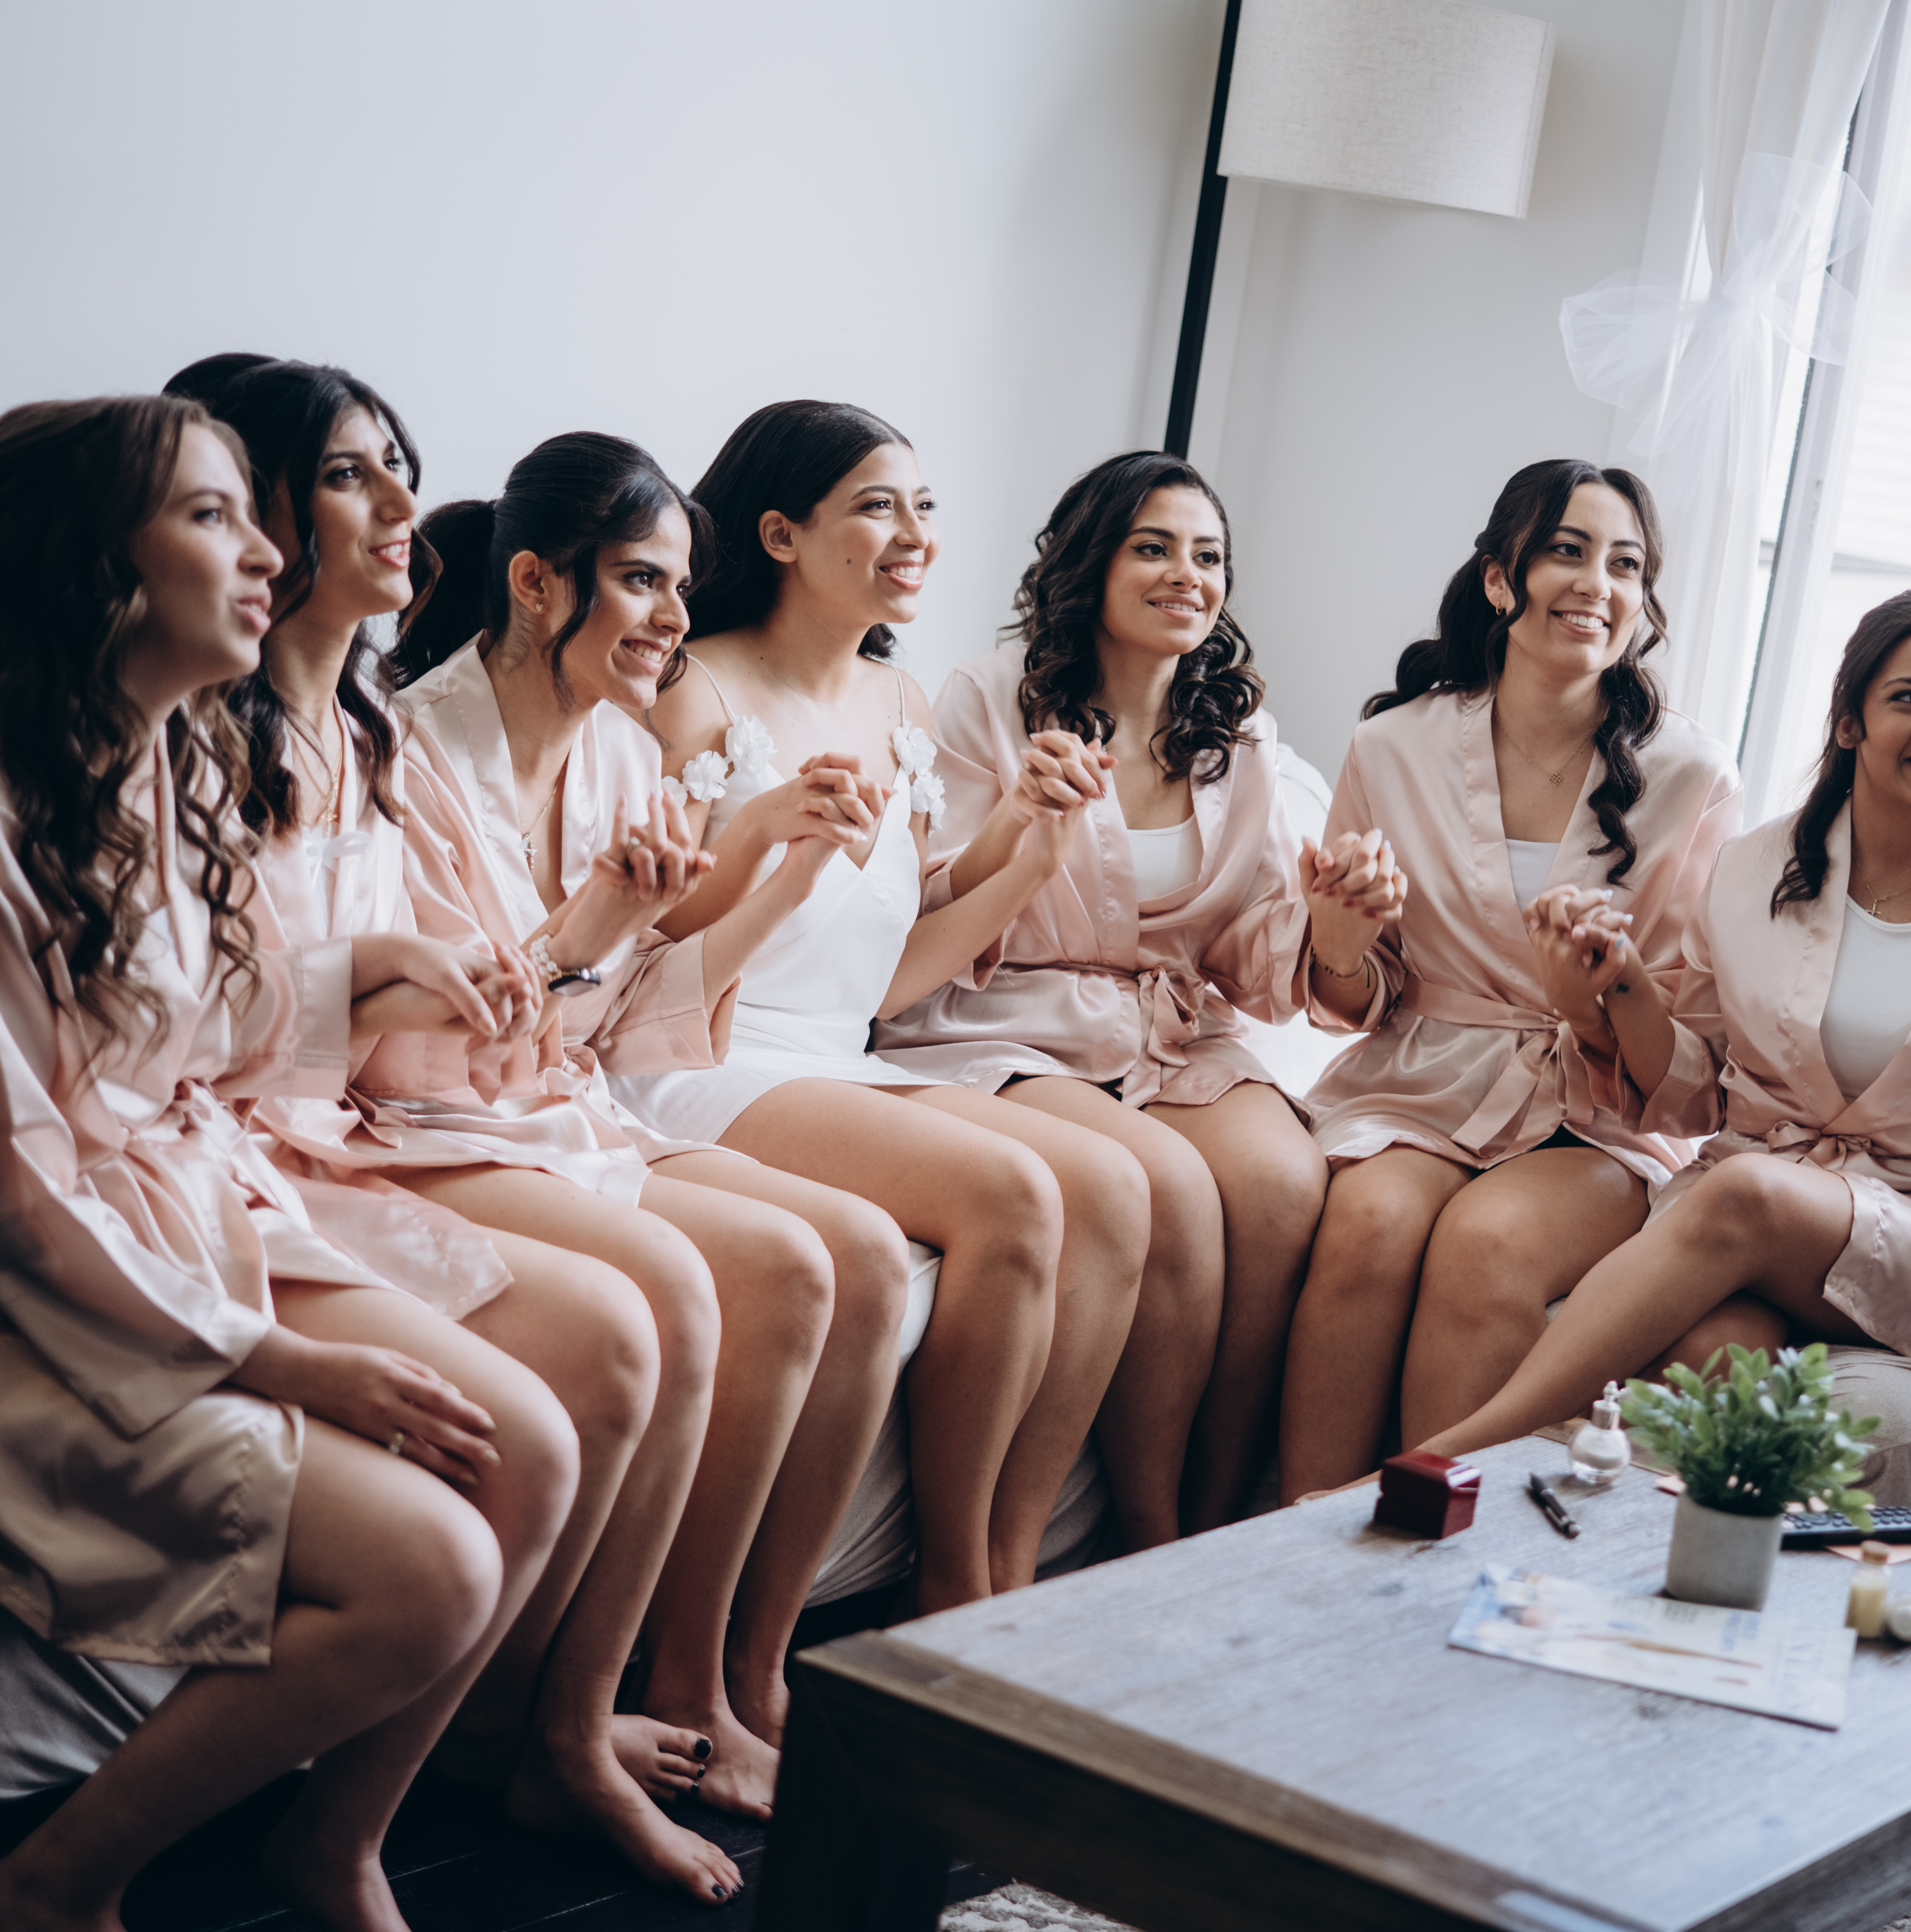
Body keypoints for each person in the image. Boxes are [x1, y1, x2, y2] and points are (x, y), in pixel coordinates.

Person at [0, 394, 584, 1932]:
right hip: (47, 1321)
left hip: (196, 1217)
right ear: (101, 564)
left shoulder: (160, 756)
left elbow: (191, 1026)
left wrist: (367, 972)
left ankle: (335, 1845)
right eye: (216, 516)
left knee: (534, 1452)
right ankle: (50, 1889)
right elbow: (13, 1195)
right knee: (435, 1564)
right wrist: (291, 1366)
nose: (269, 553)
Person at [218, 380, 903, 1861]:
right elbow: (415, 1053)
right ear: (537, 584)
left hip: (548, 1103)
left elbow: (624, 1023)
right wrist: (594, 927)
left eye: (679, 586)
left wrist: (762, 864)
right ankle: (556, 1729)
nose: (672, 618)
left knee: (827, 1259)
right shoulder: (414, 748)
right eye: (643, 581)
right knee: (680, 1289)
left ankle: (706, 1679)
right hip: (420, 1125)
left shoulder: (618, 756)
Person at [1409, 589, 1911, 1522]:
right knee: (1712, 1349)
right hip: (1775, 1240)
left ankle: (1451, 1454)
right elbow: (1694, 1098)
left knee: (1745, 1192)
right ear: (1850, 722)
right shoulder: (1756, 871)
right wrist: (1621, 981)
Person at [624, 399, 1148, 1611]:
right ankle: (957, 1580)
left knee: (1115, 1186)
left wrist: (1029, 850)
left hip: (832, 1051)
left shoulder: (901, 707)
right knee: (1013, 1189)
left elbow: (888, 979)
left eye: (925, 507)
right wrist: (770, 839)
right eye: (877, 506)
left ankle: (1012, 1547)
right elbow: (647, 942)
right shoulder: (692, 693)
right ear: (780, 534)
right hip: (702, 1052)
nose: (916, 535)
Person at [872, 451, 1330, 1536]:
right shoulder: (991, 696)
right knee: (1170, 1186)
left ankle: (1216, 1519)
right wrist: (1020, 822)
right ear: (1093, 562)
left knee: (1283, 1187)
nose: (1186, 575)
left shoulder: (1243, 741)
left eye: (1208, 556)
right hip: (1011, 1014)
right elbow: (924, 894)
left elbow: (1258, 960)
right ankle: (1147, 1521)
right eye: (1153, 548)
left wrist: (1341, 917)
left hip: (1173, 1030)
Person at [1275, 459, 1731, 1499]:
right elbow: (1351, 997)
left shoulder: (1694, 775)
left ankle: (1441, 1546)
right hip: (1422, 1078)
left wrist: (1603, 997)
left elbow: (1694, 1059)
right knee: (1366, 1226)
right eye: (1569, 550)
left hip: (1600, 1114)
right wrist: (1338, 939)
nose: (1598, 583)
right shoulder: (1391, 746)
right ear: (1499, 578)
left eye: (1627, 564)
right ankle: (1296, 1538)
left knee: (1488, 1242)